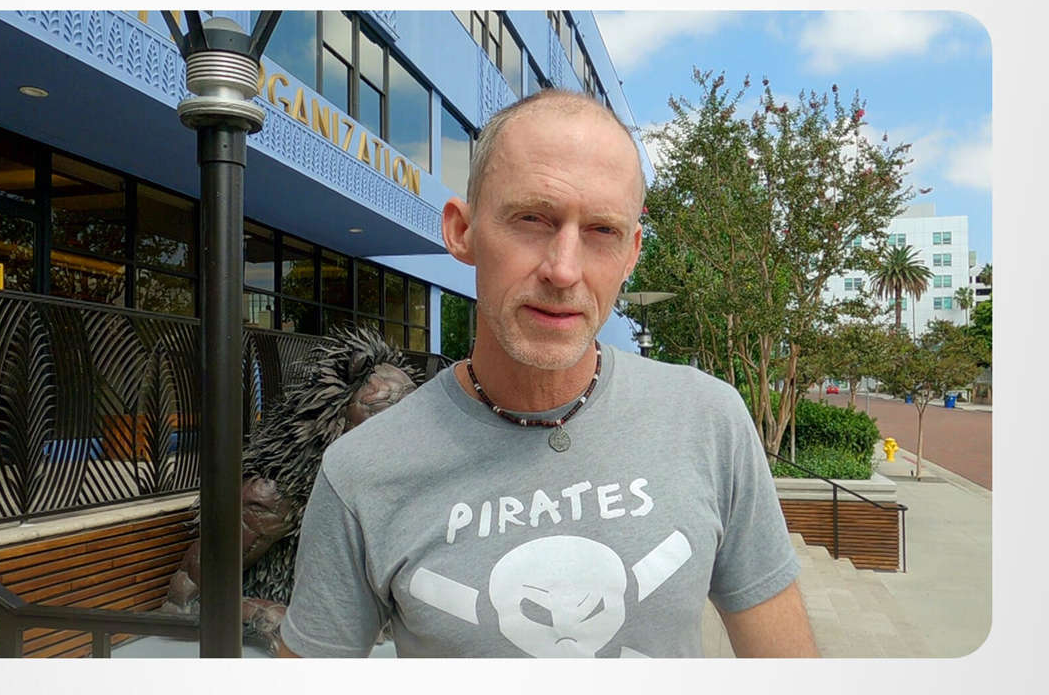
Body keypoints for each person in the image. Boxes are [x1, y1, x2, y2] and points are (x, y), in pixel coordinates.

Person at [276, 89, 818, 658]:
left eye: (602, 231)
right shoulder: (363, 472)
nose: (563, 270)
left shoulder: (708, 422)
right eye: (532, 219)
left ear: (631, 253)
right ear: (462, 231)